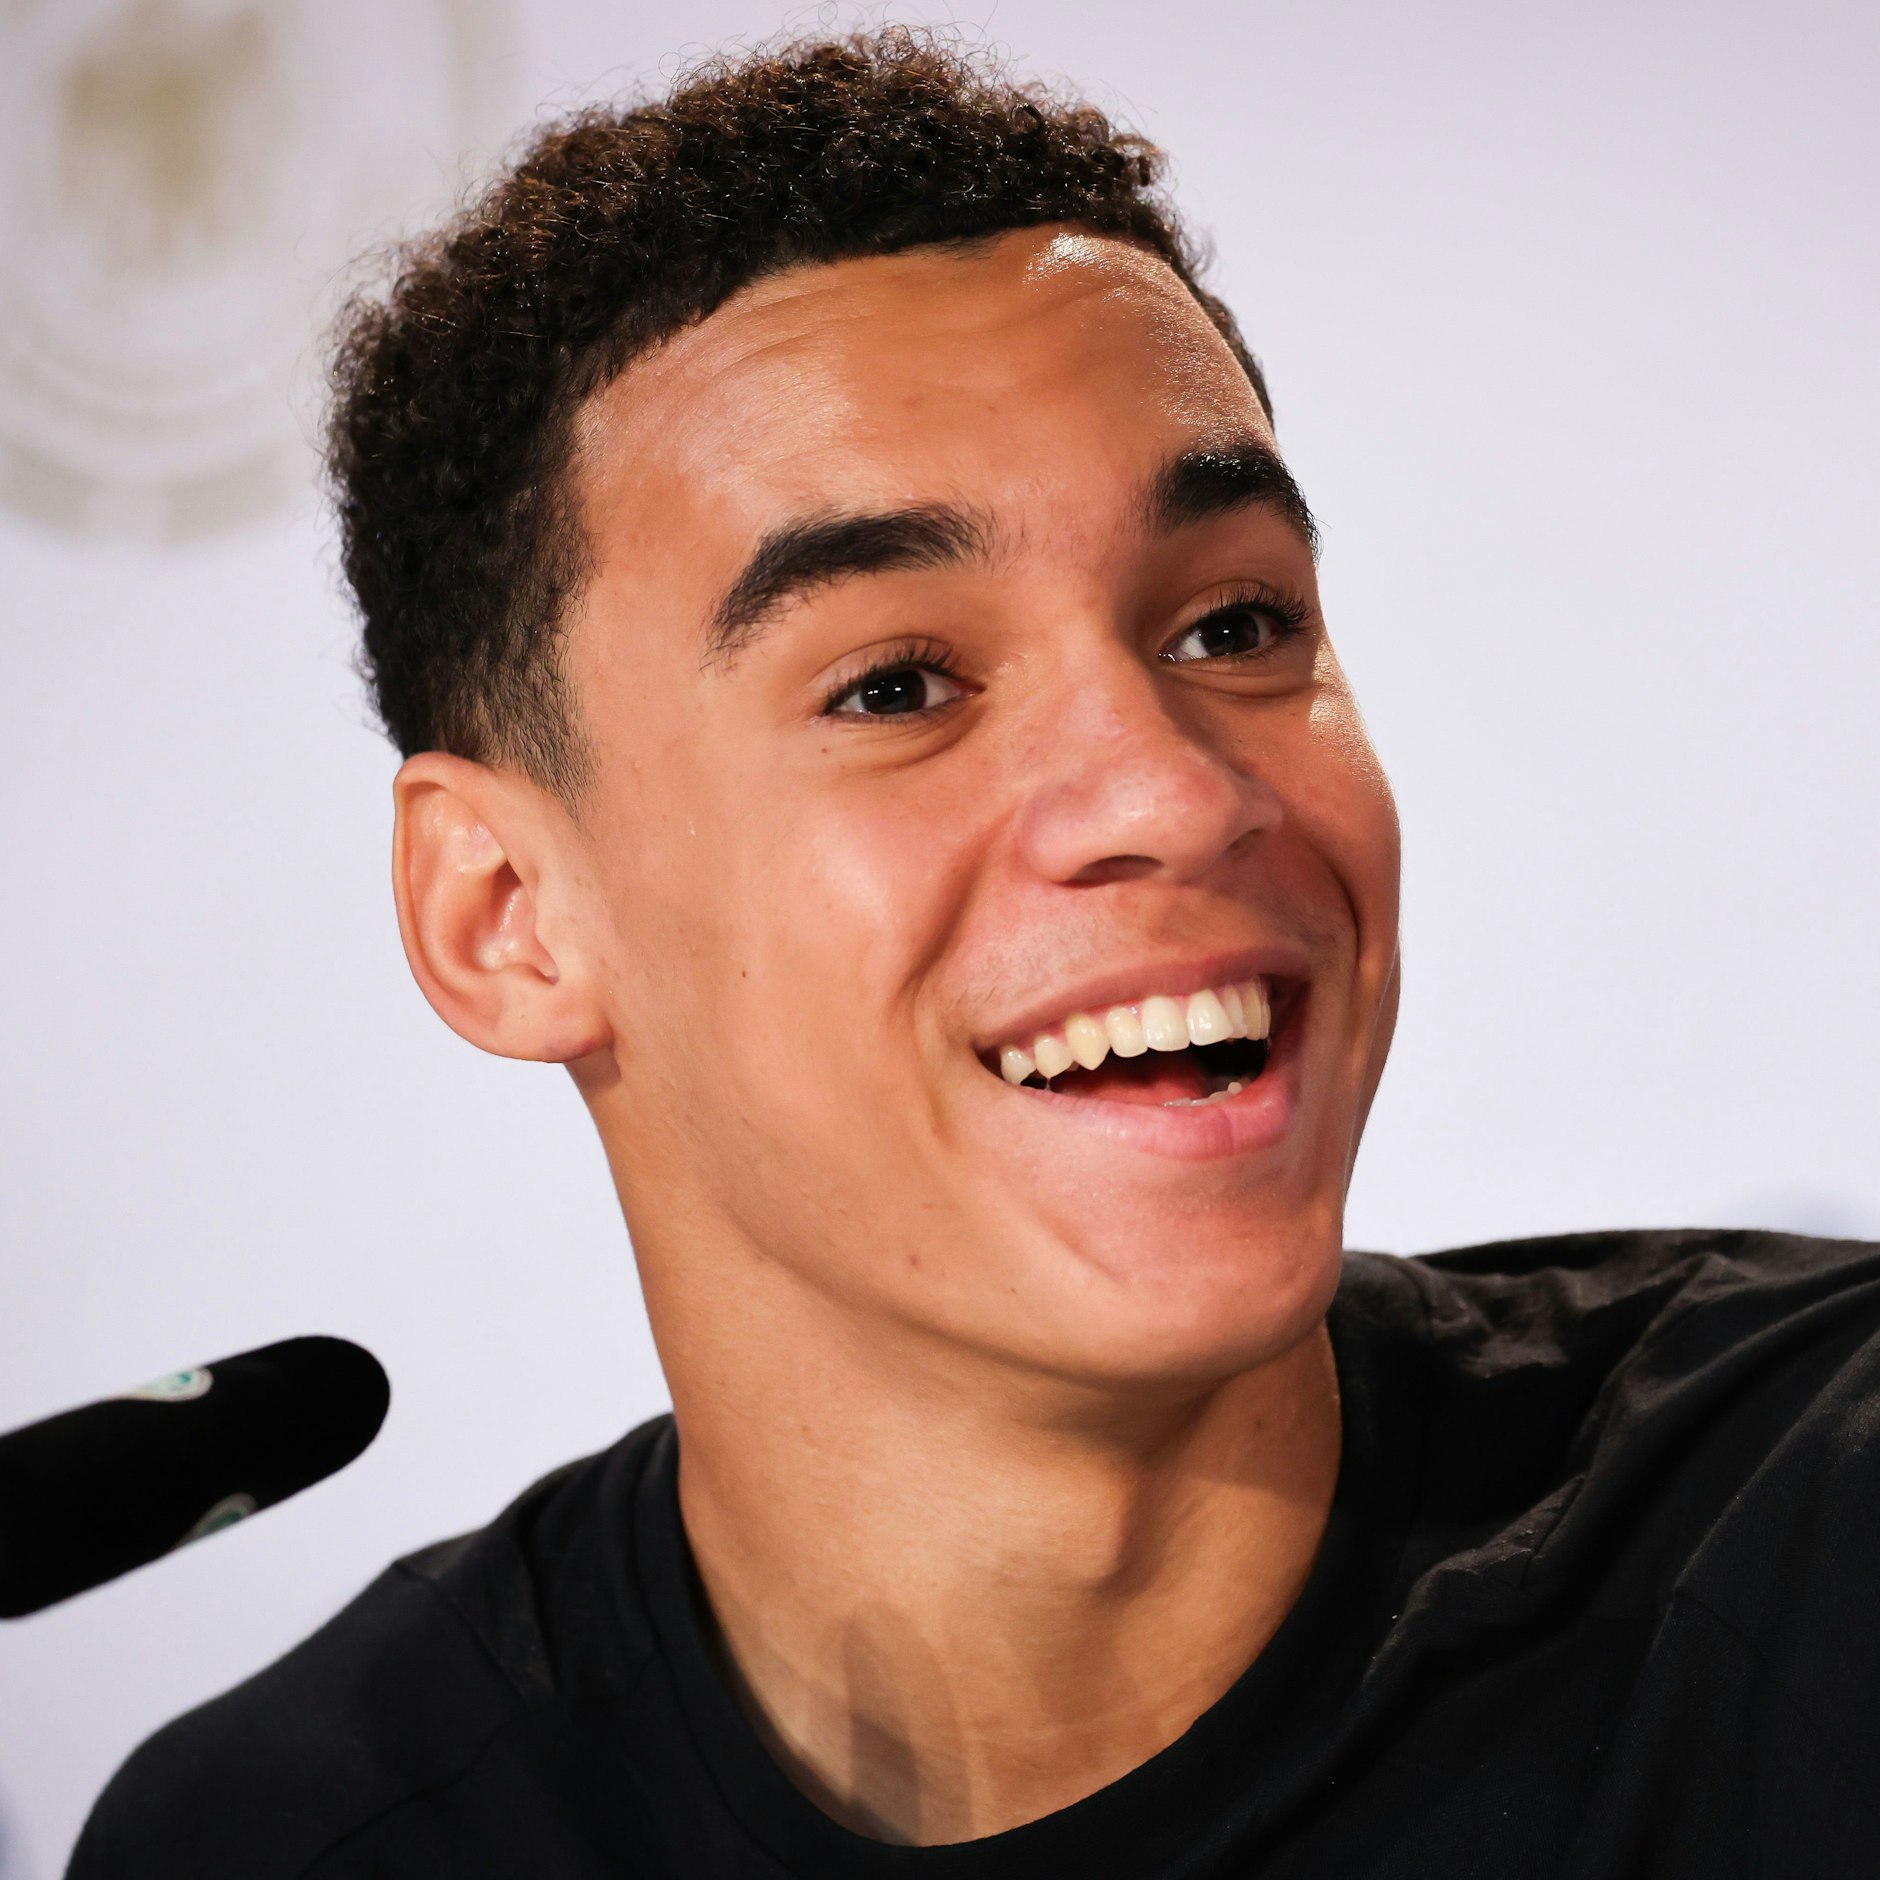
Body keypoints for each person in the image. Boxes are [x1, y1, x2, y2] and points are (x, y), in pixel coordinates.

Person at [71, 30, 1880, 1878]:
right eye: (897, 685)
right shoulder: (296, 1840)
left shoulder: (1826, 1546)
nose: (1168, 797)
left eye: (1234, 622)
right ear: (505, 918)